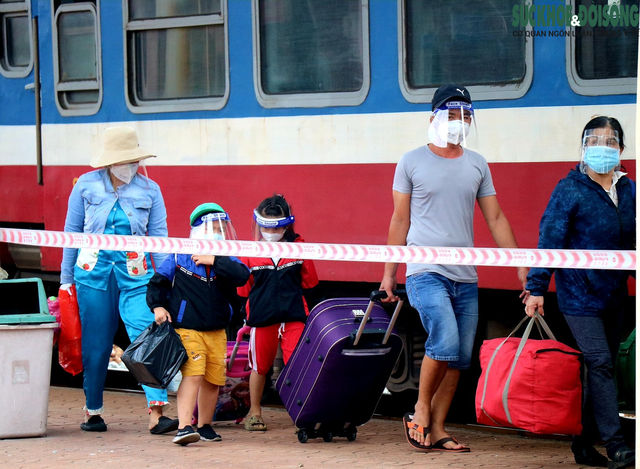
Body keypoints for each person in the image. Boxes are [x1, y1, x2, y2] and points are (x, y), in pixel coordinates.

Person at [380, 84, 528, 452]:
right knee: (443, 340)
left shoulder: (477, 163)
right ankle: (420, 411)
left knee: (459, 358)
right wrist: (389, 274)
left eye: (466, 116)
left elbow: (495, 217)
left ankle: (439, 429)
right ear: (433, 118)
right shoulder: (410, 161)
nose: (460, 122)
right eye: (452, 115)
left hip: (465, 275)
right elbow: (400, 220)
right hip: (425, 270)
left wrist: (521, 266)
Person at [524, 116, 635, 469]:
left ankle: (582, 444)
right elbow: (550, 239)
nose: (603, 147)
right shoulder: (569, 189)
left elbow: (631, 240)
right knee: (600, 361)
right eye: (595, 141)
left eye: (610, 141)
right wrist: (537, 287)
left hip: (615, 294)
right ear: (584, 147)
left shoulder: (628, 189)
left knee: (600, 367)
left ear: (621, 149)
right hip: (578, 294)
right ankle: (617, 444)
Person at [60, 125, 177, 434]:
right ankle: (93, 412)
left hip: (137, 278)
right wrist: (65, 279)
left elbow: (160, 239)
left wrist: (164, 284)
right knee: (96, 347)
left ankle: (158, 413)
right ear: (110, 162)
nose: (131, 166)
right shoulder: (85, 186)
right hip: (92, 278)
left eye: (134, 160)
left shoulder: (150, 190)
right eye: (125, 161)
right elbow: (72, 234)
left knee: (148, 336)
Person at [147, 203, 250, 445]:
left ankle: (204, 426)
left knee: (213, 380)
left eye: (221, 227)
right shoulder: (179, 255)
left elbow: (242, 276)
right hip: (188, 329)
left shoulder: (227, 258)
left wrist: (214, 260)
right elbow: (158, 282)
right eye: (213, 227)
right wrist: (158, 306)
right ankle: (184, 426)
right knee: (193, 375)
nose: (218, 231)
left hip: (217, 331)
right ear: (198, 229)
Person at [238, 194, 323, 431]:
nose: (269, 231)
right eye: (264, 226)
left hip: (294, 316)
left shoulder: (300, 249)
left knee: (298, 366)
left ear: (287, 225)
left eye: (274, 226)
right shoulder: (249, 252)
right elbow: (243, 289)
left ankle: (304, 414)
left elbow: (311, 284)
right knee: (260, 367)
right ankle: (254, 413)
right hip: (262, 319)